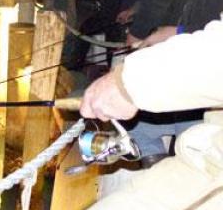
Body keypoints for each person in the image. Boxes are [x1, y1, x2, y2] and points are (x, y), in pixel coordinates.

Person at [79, 16, 223, 209]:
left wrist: (128, 83)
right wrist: (176, 31)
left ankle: (153, 161)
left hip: (208, 159)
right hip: (209, 155)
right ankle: (154, 163)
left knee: (140, 127)